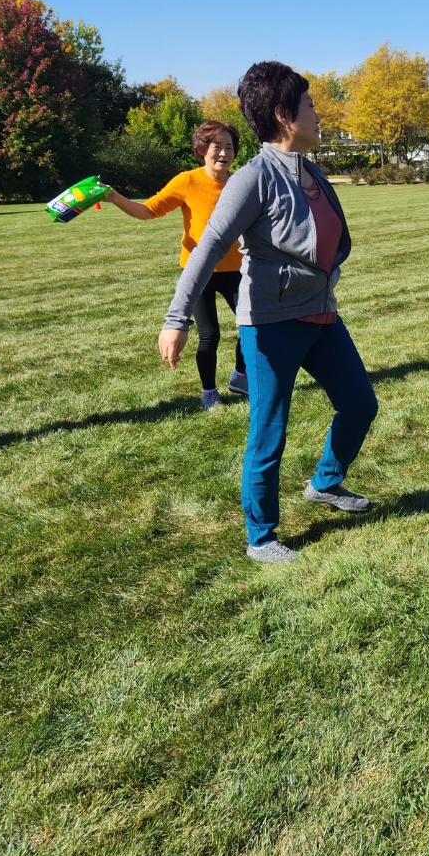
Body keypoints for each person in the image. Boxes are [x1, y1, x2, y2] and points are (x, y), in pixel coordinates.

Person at [158, 63, 378, 564]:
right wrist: (176, 319)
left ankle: (325, 483)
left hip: (320, 313)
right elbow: (209, 247)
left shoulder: (311, 171)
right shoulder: (253, 178)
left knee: (360, 404)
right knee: (269, 431)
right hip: (271, 324)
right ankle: (261, 537)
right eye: (310, 106)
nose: (318, 114)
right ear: (283, 115)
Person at [107, 121, 248, 408]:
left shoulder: (240, 183)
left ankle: (240, 375)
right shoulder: (188, 181)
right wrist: (113, 196)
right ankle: (209, 392)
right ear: (202, 150)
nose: (224, 153)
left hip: (237, 270)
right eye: (217, 146)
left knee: (252, 326)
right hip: (199, 273)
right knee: (210, 335)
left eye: (229, 147)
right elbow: (148, 210)